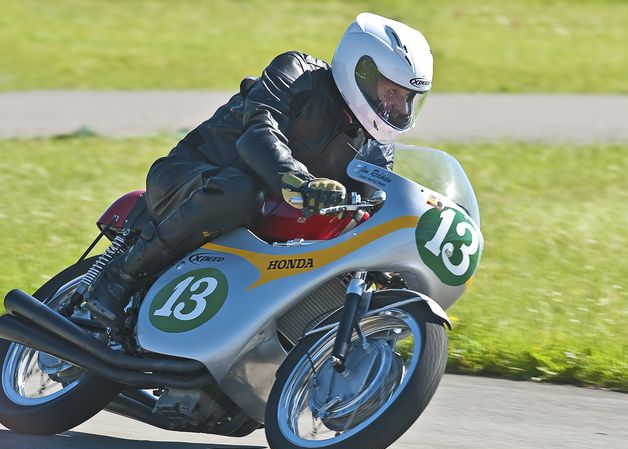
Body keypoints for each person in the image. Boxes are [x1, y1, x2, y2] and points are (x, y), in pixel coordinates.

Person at [85, 12, 434, 329]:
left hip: (261, 220)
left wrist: (394, 259)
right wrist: (302, 183)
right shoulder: (298, 74)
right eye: (392, 92)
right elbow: (258, 135)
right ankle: (120, 276)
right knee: (242, 191)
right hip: (189, 179)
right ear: (363, 71)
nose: (399, 107)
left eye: (407, 99)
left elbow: (375, 205)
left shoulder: (375, 145)